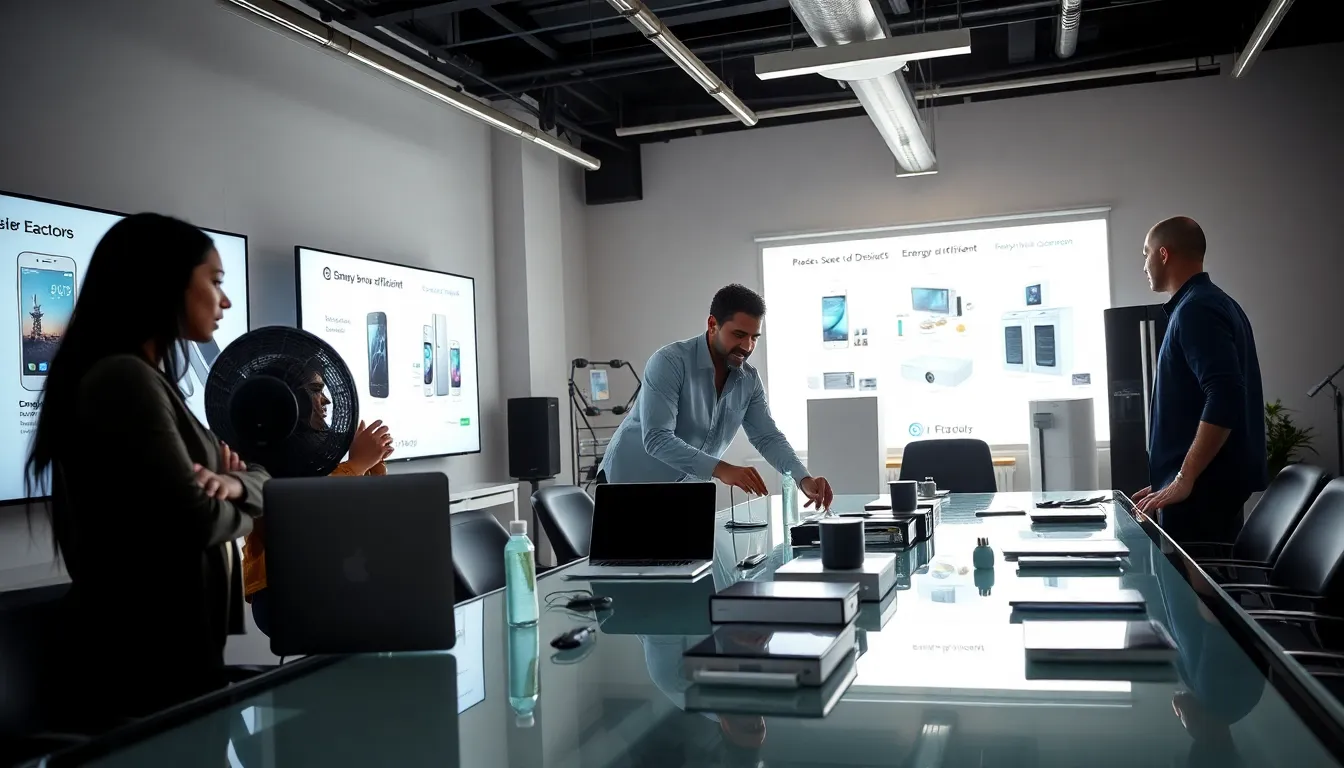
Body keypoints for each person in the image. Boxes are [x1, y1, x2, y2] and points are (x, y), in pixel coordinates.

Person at [25, 213, 269, 727]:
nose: (225, 301)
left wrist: (232, 484)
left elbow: (249, 482)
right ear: (165, 282)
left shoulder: (143, 379)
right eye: (216, 281)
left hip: (179, 666)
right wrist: (238, 495)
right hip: (147, 674)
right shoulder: (123, 379)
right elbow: (195, 519)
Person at [599, 283, 834, 510]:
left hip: (686, 492)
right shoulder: (669, 362)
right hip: (627, 487)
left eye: (754, 337)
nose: (747, 346)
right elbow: (657, 438)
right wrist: (722, 469)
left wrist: (803, 478)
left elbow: (767, 437)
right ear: (713, 325)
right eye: (739, 334)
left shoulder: (749, 380)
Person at [1133, 216, 1267, 544]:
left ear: (1164, 254)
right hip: (1206, 486)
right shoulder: (1213, 303)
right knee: (1201, 588)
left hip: (1204, 490)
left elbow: (1225, 395)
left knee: (1196, 594)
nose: (1144, 265)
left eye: (1146, 253)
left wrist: (1184, 477)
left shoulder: (1197, 310)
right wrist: (1169, 477)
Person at [243, 371, 395, 636]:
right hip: (288, 594)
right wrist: (356, 465)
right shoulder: (262, 460)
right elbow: (307, 515)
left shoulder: (315, 457)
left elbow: (360, 520)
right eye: (315, 390)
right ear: (289, 399)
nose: (325, 401)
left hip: (330, 582)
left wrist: (370, 466)